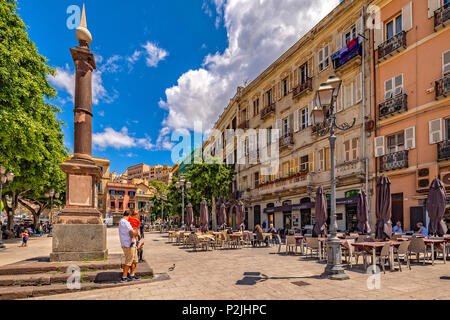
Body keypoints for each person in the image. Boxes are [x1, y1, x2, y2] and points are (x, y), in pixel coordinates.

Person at [119, 210, 140, 282]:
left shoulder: (123, 222)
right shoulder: (125, 222)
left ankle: (132, 275)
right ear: (129, 215)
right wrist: (136, 232)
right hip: (128, 244)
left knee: (134, 260)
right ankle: (124, 277)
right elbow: (132, 231)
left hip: (132, 244)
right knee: (129, 261)